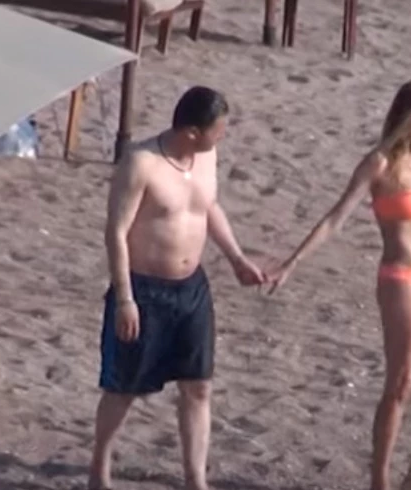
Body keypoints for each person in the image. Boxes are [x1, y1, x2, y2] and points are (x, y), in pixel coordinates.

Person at [266, 79, 411, 490]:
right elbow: (335, 218)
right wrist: (291, 263)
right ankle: (379, 481)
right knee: (402, 383)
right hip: (401, 278)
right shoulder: (379, 163)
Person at [88, 86, 265, 490]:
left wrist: (237, 258)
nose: (223, 135)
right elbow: (116, 232)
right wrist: (125, 298)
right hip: (143, 291)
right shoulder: (142, 163)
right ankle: (99, 467)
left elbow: (209, 207)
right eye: (217, 129)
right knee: (123, 388)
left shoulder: (207, 156)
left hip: (191, 290)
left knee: (198, 386)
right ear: (191, 132)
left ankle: (195, 479)